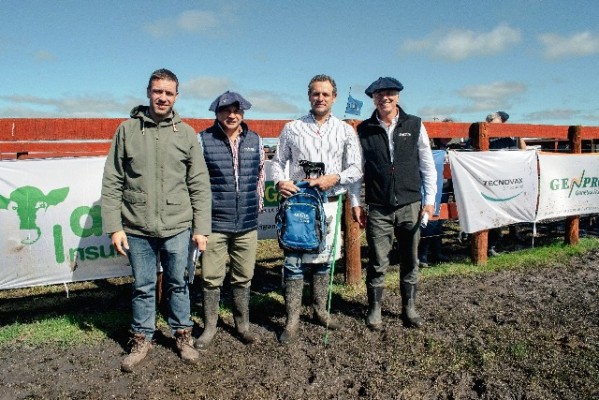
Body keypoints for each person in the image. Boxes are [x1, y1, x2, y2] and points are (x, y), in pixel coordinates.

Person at [101, 68, 212, 372]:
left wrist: (201, 228)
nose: (162, 97)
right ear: (148, 92)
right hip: (137, 227)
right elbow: (112, 181)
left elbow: (199, 183)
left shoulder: (186, 133)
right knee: (143, 286)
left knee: (179, 283)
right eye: (157, 91)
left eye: (169, 92)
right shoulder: (127, 130)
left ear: (176, 96)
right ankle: (141, 339)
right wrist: (114, 226)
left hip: (178, 225)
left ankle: (183, 335)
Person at [271, 74, 363, 344]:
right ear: (308, 96)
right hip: (300, 205)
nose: (320, 98)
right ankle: (292, 318)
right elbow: (278, 161)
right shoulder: (292, 128)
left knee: (324, 262)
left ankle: (320, 310)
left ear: (333, 97)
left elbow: (356, 168)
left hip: (330, 202)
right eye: (315, 93)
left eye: (325, 94)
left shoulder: (346, 131)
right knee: (294, 261)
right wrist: (280, 180)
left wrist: (335, 178)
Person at [352, 77, 437, 331]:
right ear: (373, 99)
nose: (384, 98)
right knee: (378, 260)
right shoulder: (364, 129)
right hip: (378, 206)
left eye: (389, 93)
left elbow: (427, 165)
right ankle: (375, 308)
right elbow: (358, 171)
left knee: (410, 259)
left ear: (398, 96)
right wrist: (357, 202)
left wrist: (430, 200)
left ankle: (408, 307)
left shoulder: (415, 125)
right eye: (379, 95)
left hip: (411, 203)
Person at [194, 91, 264, 350]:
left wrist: (255, 207)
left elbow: (259, 175)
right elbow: (196, 182)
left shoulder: (255, 140)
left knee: (243, 276)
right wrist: (199, 221)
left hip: (246, 223)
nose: (232, 115)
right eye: (226, 110)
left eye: (237, 110)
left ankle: (241, 324)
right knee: (211, 277)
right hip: (214, 223)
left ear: (243, 112)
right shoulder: (203, 140)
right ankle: (210, 326)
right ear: (217, 113)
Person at [486, 111, 526, 256]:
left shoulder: (507, 139)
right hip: (489, 182)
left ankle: (504, 240)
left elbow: (523, 152)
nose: (502, 127)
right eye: (498, 125)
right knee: (491, 213)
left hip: (505, 181)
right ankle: (488, 245)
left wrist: (519, 134)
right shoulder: (483, 138)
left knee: (508, 210)